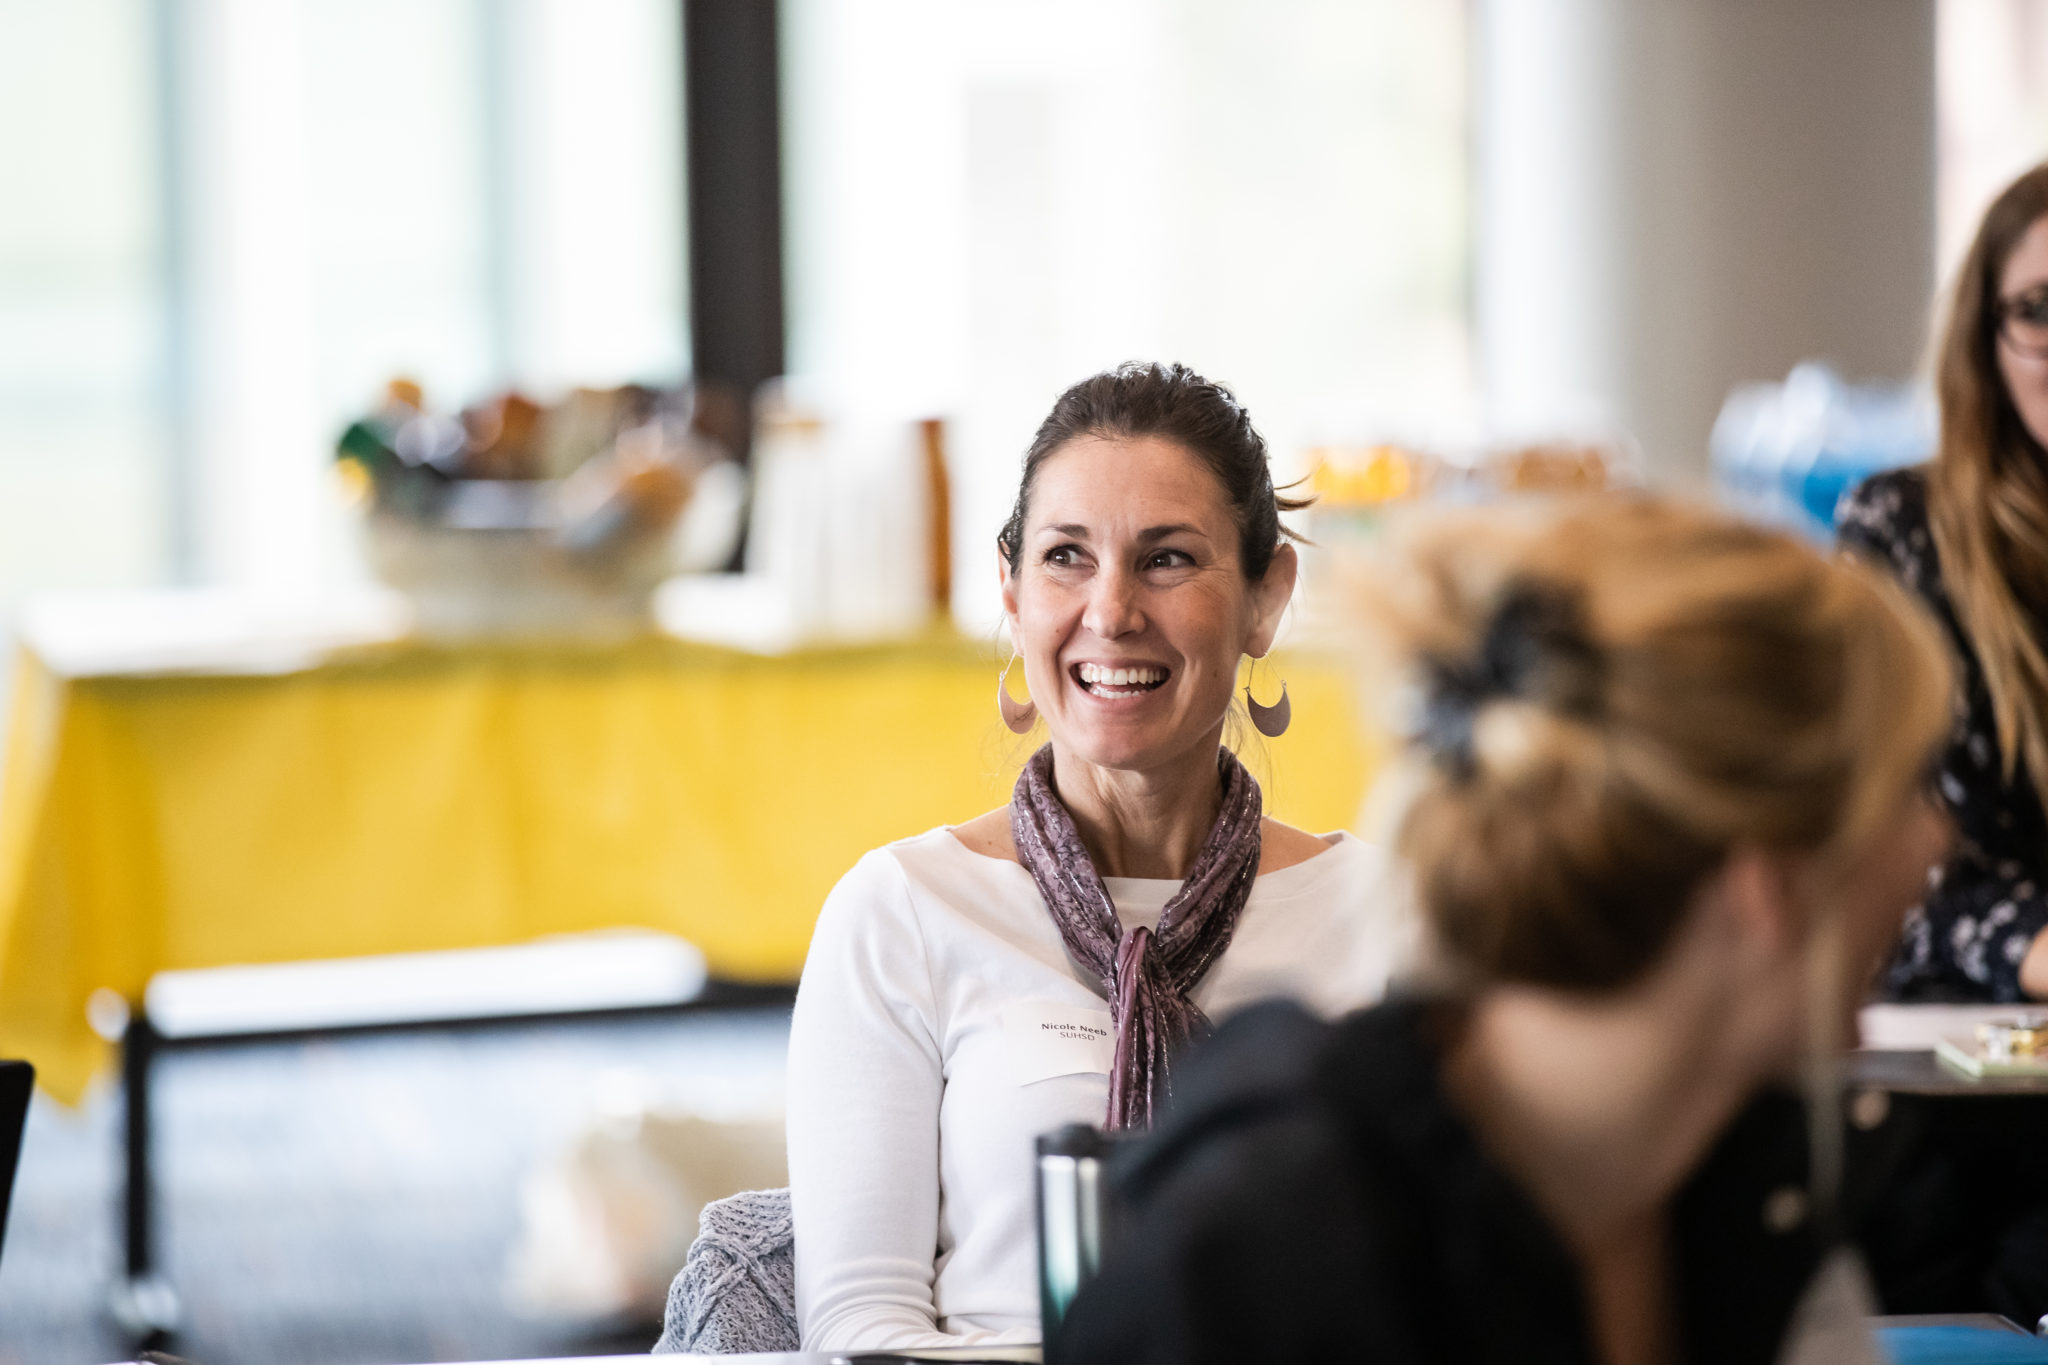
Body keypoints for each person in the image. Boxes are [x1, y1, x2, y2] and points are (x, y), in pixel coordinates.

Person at [1053, 497, 1953, 1365]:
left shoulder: (1752, 1184)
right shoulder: (1270, 1257)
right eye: (1910, 786)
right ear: (1770, 884)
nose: (1936, 839)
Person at [783, 362, 1403, 1351]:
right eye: (1066, 557)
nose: (1109, 611)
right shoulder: (902, 911)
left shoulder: (1384, 914)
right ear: (1012, 593)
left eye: (1166, 560)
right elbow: (863, 1328)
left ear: (1263, 598)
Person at [1840, 162, 2048, 1002]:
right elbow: (1860, 844)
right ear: (1983, 334)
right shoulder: (1902, 527)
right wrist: (2032, 945)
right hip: (1961, 1053)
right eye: (2039, 309)